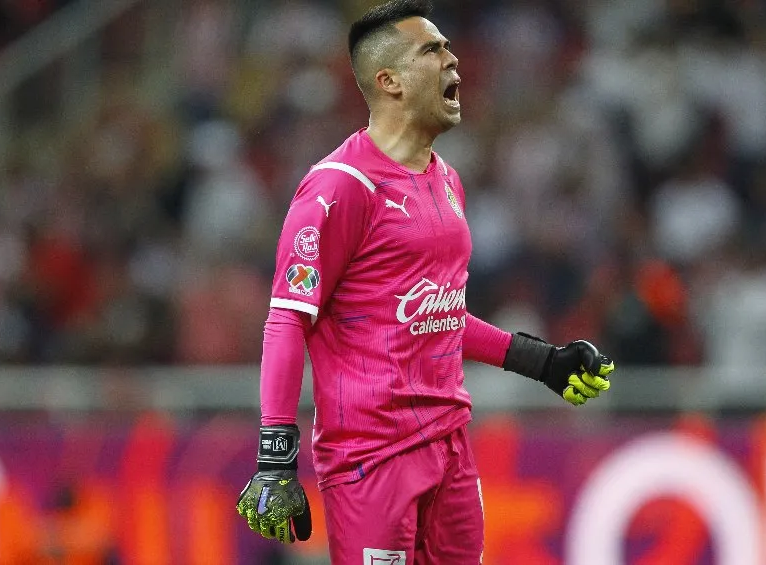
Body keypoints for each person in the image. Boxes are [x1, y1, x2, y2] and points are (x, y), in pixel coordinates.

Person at [236, 1, 615, 562]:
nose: (453, 58)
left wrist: (541, 362)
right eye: (432, 50)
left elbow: (435, 314)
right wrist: (275, 456)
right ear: (388, 81)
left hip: (451, 449)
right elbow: (289, 318)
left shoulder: (448, 182)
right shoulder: (339, 188)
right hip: (373, 458)